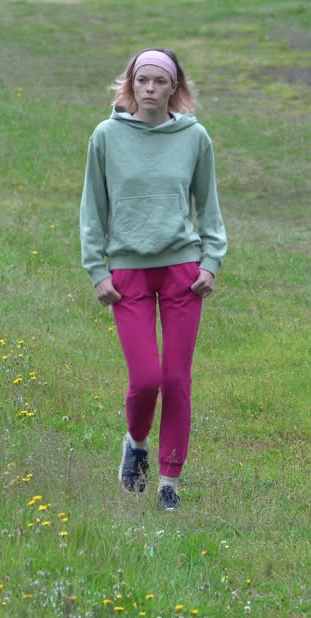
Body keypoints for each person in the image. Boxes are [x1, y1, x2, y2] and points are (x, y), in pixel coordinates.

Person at [79, 47, 227, 510]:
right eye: (142, 80)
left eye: (159, 82)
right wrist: (97, 269)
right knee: (146, 378)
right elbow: (92, 209)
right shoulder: (105, 137)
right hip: (127, 273)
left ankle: (169, 483)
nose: (149, 89)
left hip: (182, 270)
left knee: (177, 379)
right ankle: (136, 443)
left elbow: (210, 207)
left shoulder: (194, 137)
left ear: (174, 88)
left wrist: (210, 262)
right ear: (130, 84)